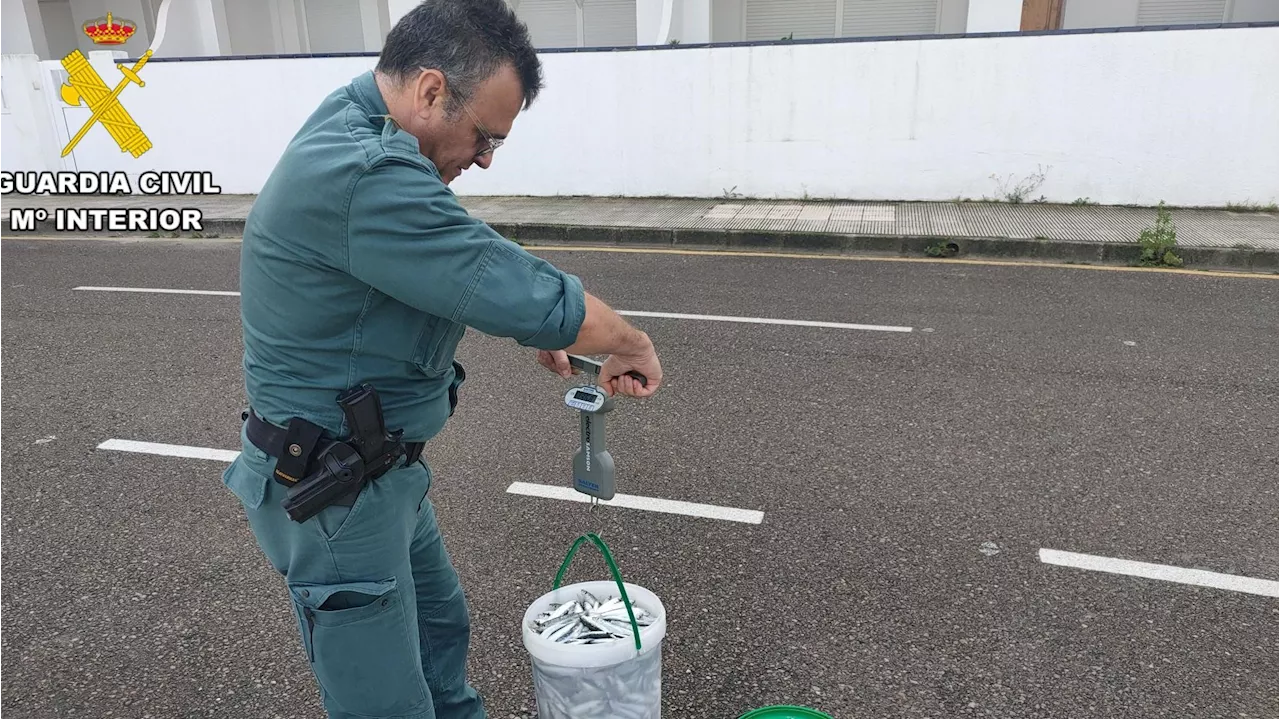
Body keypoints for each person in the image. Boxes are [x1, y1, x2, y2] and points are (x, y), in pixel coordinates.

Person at [217, 1, 663, 717]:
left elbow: (427, 269)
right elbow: (494, 275)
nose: (485, 158)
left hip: (380, 473)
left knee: (439, 636)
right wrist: (629, 342)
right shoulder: (362, 170)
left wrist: (532, 327)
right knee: (388, 703)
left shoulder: (364, 124)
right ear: (430, 91)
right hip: (335, 497)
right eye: (484, 136)